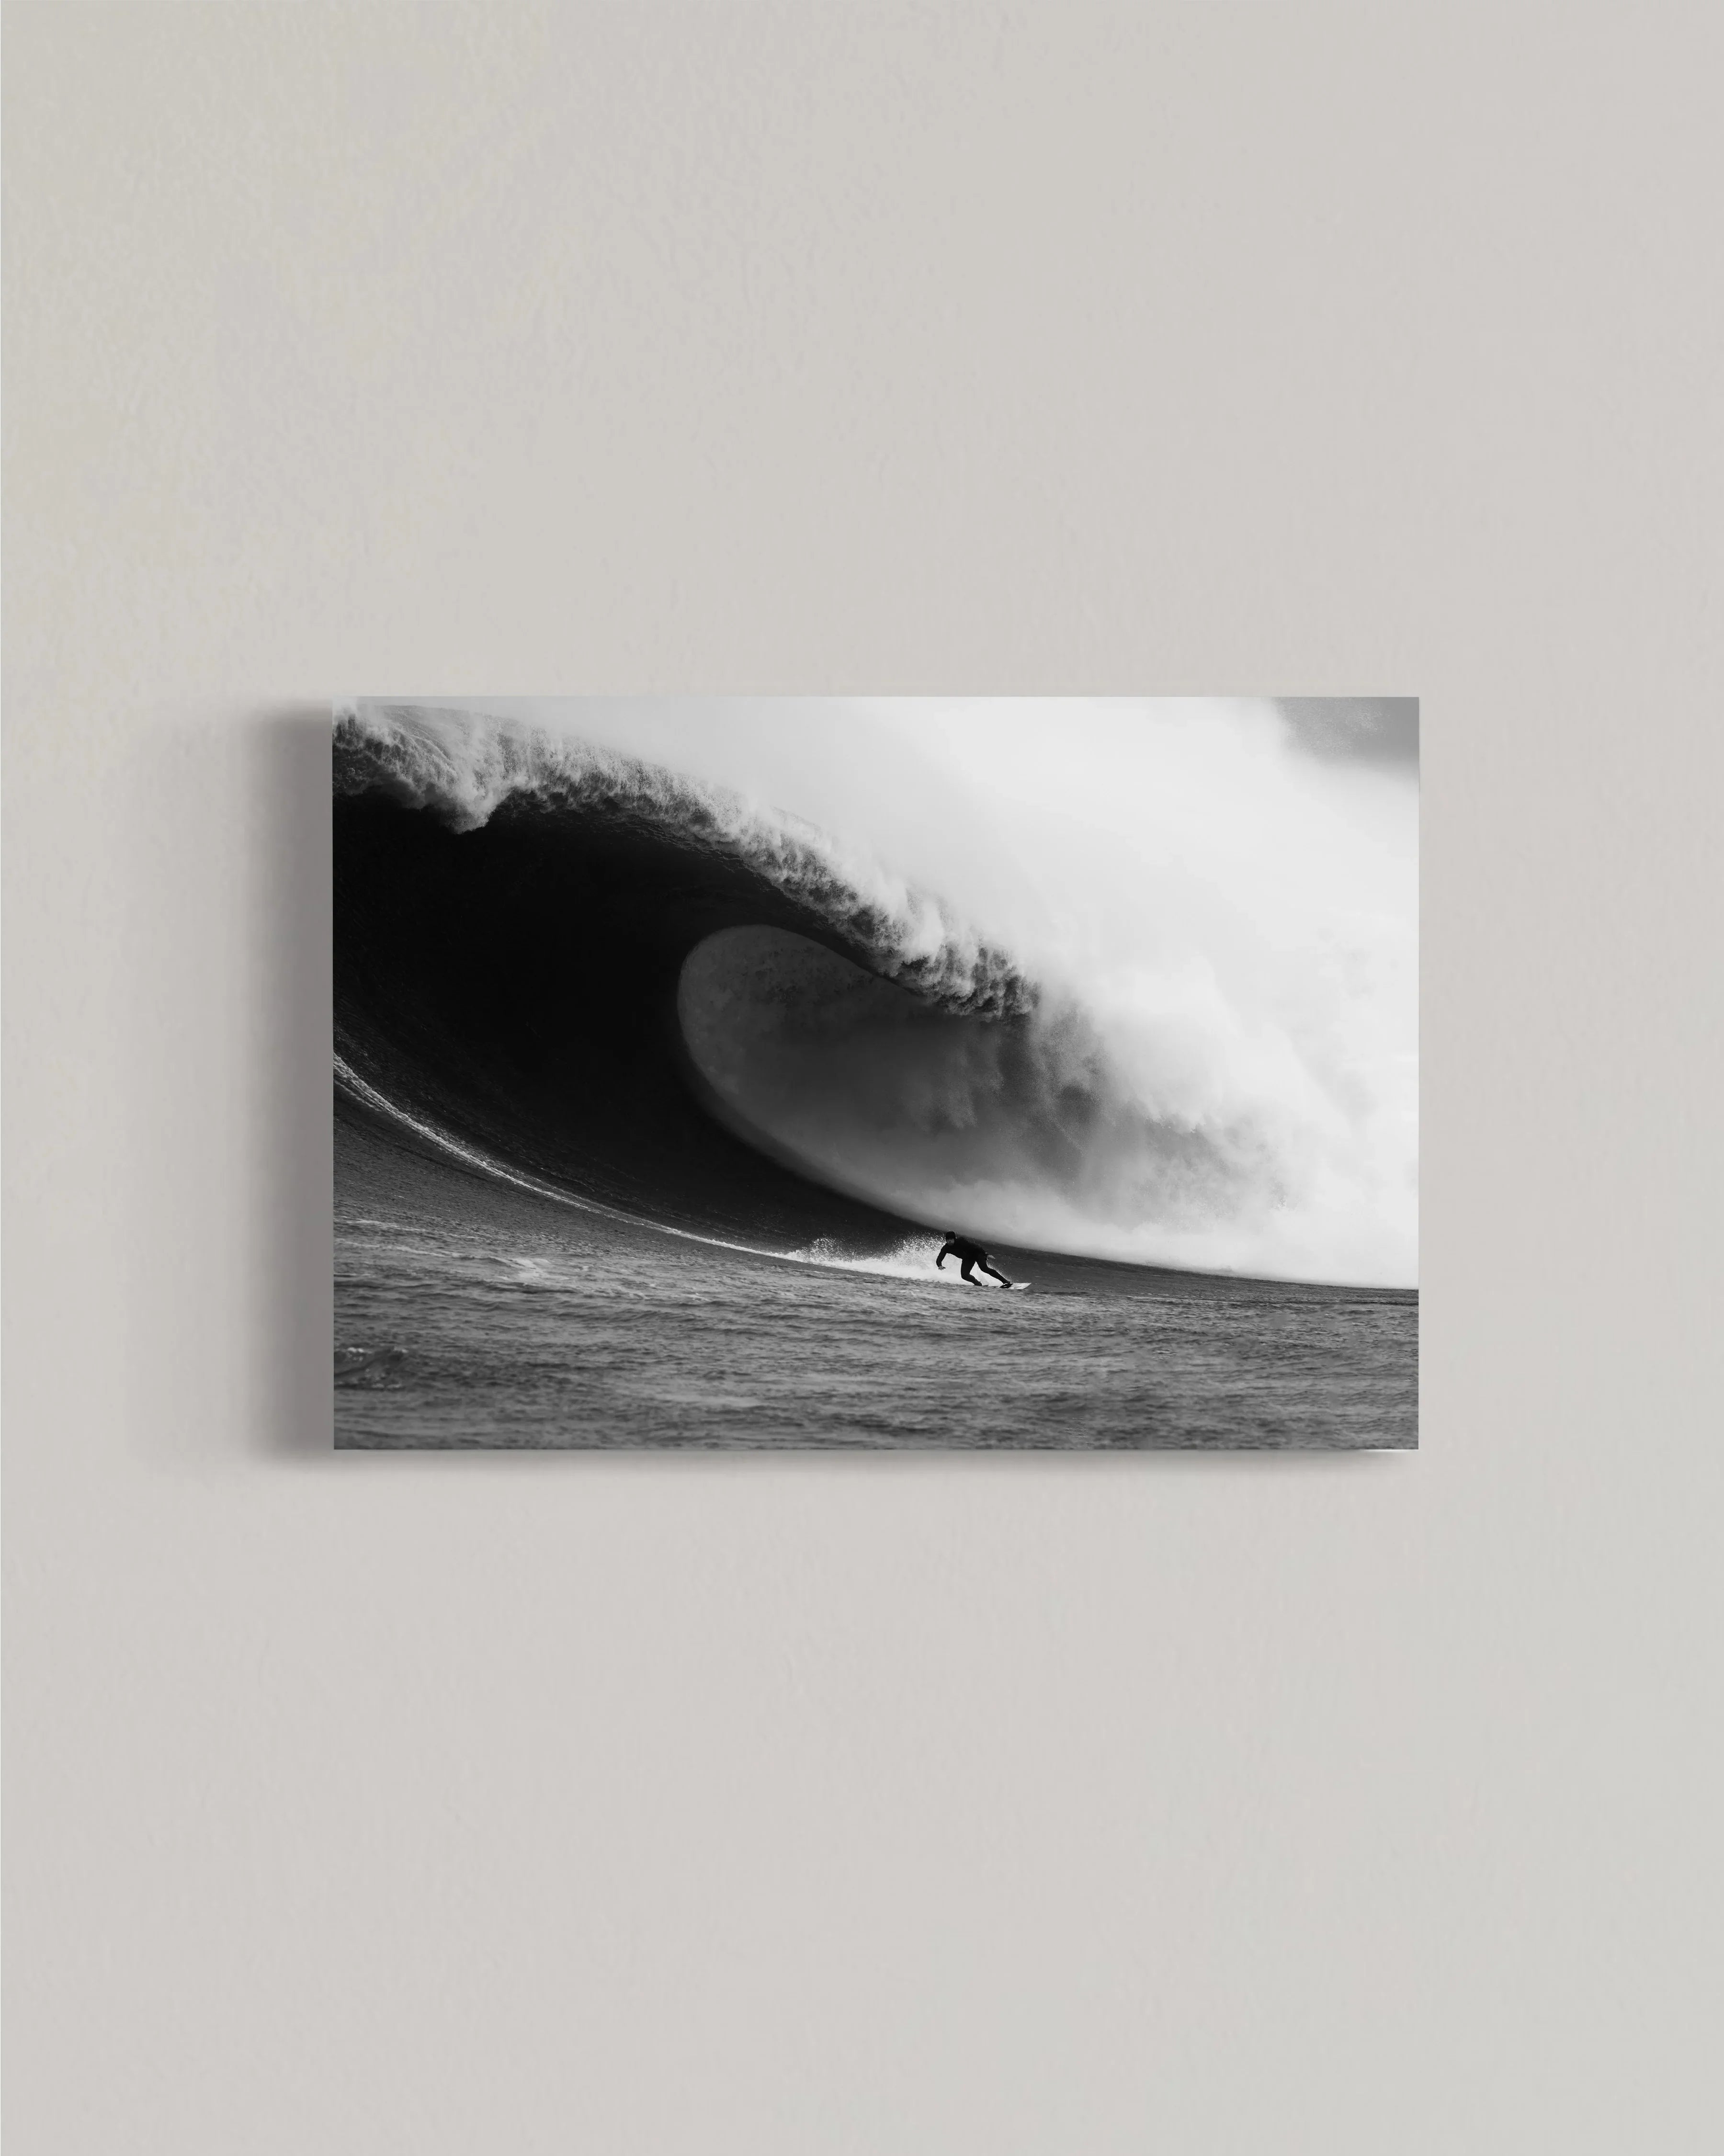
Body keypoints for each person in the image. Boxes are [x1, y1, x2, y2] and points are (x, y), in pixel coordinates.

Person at [935, 1231, 1014, 1288]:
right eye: (948, 1240)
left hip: (977, 1254)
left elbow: (975, 1247)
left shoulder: (961, 1241)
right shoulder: (946, 1248)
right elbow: (940, 1258)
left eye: (951, 1239)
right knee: (964, 1276)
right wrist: (940, 1265)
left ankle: (1005, 1282)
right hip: (968, 1259)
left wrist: (986, 1254)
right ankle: (978, 1284)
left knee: (984, 1269)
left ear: (955, 1239)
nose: (950, 1241)